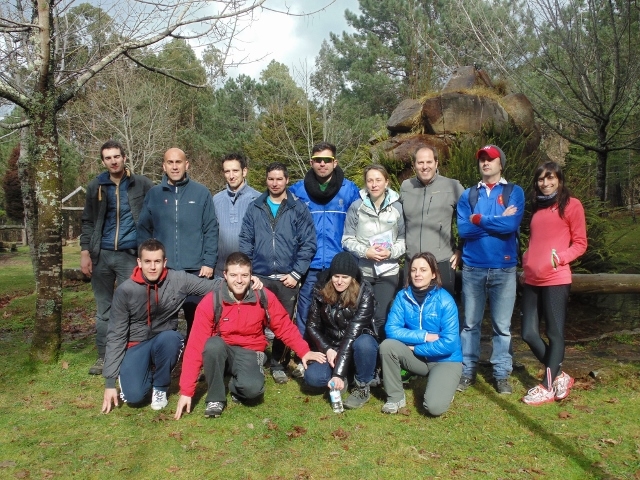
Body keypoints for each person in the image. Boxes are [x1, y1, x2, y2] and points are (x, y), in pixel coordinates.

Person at [101, 240, 262, 414]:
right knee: (134, 397)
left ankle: (160, 387)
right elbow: (116, 334)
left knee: (171, 338)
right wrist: (110, 382)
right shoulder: (125, 291)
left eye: (157, 261)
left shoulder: (178, 279)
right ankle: (141, 372)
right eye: (147, 262)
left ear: (165, 262)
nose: (153, 267)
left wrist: (244, 280)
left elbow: (213, 285)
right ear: (139, 263)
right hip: (135, 344)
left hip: (165, 340)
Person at [175, 252, 326, 419]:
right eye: (233, 275)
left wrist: (304, 351)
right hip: (222, 349)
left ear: (251, 275)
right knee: (212, 345)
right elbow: (195, 345)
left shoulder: (262, 296)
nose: (239, 280)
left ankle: (237, 379)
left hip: (250, 351)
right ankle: (215, 398)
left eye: (244, 275)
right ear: (225, 275)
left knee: (253, 390)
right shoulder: (212, 301)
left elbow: (284, 325)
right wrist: (187, 391)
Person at [81, 139, 154, 375]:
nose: (113, 161)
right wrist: (85, 253)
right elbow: (88, 221)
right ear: (103, 161)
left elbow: (155, 216)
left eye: (116, 156)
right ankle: (104, 357)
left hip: (129, 256)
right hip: (101, 255)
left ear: (124, 157)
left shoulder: (141, 184)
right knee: (104, 309)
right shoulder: (96, 186)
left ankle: (130, 354)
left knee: (131, 307)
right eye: (108, 158)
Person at [239, 162, 316, 384]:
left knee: (283, 323)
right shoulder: (255, 207)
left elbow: (308, 244)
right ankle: (256, 359)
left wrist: (296, 273)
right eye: (271, 179)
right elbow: (245, 241)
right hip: (259, 277)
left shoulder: (298, 208)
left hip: (287, 278)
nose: (275, 183)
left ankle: (278, 363)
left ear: (287, 180)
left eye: (279, 179)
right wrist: (249, 272)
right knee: (255, 322)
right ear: (266, 180)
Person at [456, 144, 525, 394]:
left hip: (504, 268)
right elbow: (464, 230)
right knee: (470, 324)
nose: (486, 163)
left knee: (502, 327)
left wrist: (480, 220)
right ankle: (467, 371)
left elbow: (510, 226)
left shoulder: (514, 192)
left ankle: (501, 373)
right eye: (482, 160)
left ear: (500, 164)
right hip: (473, 267)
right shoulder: (468, 195)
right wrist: (497, 221)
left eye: (491, 159)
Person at [520, 162, 587, 405]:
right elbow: (537, 242)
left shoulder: (571, 205)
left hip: (556, 279)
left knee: (554, 333)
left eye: (550, 178)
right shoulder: (537, 208)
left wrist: (560, 259)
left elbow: (580, 243)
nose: (545, 183)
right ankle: (560, 375)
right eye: (541, 179)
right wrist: (526, 261)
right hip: (532, 279)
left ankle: (547, 386)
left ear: (559, 179)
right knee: (528, 332)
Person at [137, 147, 218, 339]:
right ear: (164, 166)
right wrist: (147, 261)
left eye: (178, 162)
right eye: (170, 163)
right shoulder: (154, 194)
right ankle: (164, 358)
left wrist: (208, 262)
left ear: (186, 164)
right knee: (163, 319)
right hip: (164, 270)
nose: (175, 167)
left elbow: (211, 229)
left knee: (197, 317)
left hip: (196, 270)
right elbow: (143, 230)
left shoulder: (201, 193)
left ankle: (195, 358)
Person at [289, 142, 360, 347]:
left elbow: (360, 226)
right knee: (305, 310)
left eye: (327, 160)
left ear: (335, 162)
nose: (322, 164)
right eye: (318, 160)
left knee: (338, 309)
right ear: (311, 162)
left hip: (337, 265)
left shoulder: (349, 190)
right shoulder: (298, 190)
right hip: (309, 264)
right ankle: (305, 353)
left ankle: (338, 351)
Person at [379, 252, 462, 416]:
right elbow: (391, 330)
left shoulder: (445, 300)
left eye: (423, 270)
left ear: (433, 274)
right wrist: (424, 336)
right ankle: (395, 398)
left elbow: (450, 343)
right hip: (419, 360)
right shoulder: (402, 297)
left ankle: (445, 386)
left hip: (445, 360)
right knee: (387, 346)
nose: (417, 274)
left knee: (434, 408)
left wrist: (415, 348)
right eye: (414, 270)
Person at [304, 252, 377, 409]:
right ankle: (344, 376)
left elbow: (352, 335)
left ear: (352, 278)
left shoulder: (364, 294)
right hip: (332, 345)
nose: (339, 281)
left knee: (365, 344)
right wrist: (327, 349)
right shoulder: (320, 289)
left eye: (345, 277)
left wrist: (337, 373)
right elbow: (312, 325)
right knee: (313, 378)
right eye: (336, 276)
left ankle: (362, 386)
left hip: (357, 343)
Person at [342, 164, 405, 338]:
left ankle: (381, 355)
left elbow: (403, 240)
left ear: (387, 182)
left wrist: (390, 252)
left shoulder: (398, 208)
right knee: (364, 314)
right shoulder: (356, 207)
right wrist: (365, 252)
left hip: (388, 271)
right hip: (364, 270)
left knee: (382, 316)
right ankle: (364, 354)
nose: (374, 184)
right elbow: (347, 239)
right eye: (370, 180)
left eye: (378, 180)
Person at [400, 146, 464, 296]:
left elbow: (468, 219)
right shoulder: (406, 187)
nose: (425, 166)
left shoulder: (453, 186)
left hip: (441, 261)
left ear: (436, 163)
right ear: (414, 165)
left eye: (429, 162)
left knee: (442, 312)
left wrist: (461, 248)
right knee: (410, 310)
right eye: (420, 162)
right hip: (412, 262)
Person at [212, 153, 260, 278]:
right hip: (221, 272)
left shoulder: (258, 199)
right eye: (227, 171)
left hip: (248, 272)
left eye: (235, 171)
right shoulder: (216, 200)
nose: (231, 176)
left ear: (244, 171)